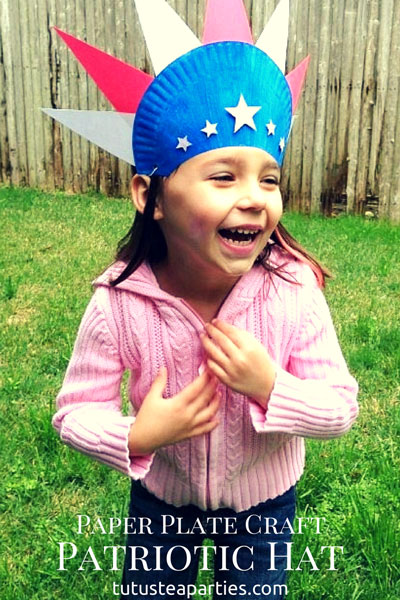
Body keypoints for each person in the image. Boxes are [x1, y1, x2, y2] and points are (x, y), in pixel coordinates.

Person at [50, 1, 359, 598]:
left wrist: (271, 386)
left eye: (268, 178)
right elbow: (72, 413)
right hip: (161, 498)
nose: (254, 198)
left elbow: (340, 407)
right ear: (151, 194)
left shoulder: (292, 292)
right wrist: (138, 435)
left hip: (263, 504)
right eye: (223, 176)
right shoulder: (119, 302)